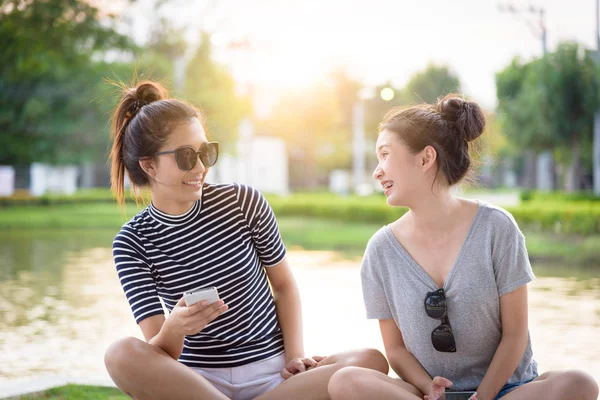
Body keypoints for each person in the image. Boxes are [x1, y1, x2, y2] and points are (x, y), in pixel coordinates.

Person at [103, 80, 388, 400]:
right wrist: (175, 329)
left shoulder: (242, 201)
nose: (200, 167)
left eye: (205, 153)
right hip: (197, 384)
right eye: (185, 156)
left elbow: (283, 285)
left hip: (273, 377)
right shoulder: (132, 242)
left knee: (368, 360)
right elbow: (158, 355)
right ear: (149, 165)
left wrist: (295, 357)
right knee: (119, 354)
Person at [327, 94, 599, 400]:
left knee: (580, 384)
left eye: (385, 155)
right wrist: (427, 386)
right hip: (428, 396)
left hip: (504, 393)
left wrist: (483, 397)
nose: (377, 171)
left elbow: (515, 335)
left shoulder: (497, 228)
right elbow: (396, 349)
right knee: (346, 381)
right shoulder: (380, 250)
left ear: (426, 158)